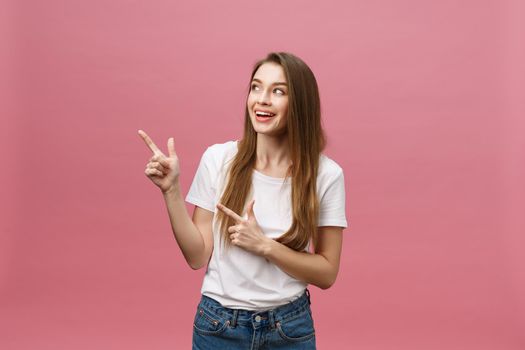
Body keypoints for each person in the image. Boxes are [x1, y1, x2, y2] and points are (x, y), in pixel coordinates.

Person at [138, 52, 348, 349]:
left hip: (289, 328)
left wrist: (265, 246)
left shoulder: (326, 175)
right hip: (219, 326)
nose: (262, 99)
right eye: (256, 87)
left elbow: (327, 273)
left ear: (300, 104)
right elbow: (197, 257)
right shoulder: (219, 159)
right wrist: (171, 191)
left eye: (278, 91)